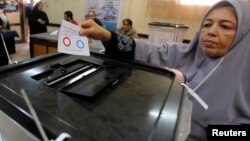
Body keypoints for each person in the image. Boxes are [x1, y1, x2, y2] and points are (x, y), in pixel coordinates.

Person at [79, 0, 250, 140]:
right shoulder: (186, 54)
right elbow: (149, 50)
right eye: (206, 24)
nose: (211, 32)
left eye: (225, 26)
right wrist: (107, 36)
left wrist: (212, 133)